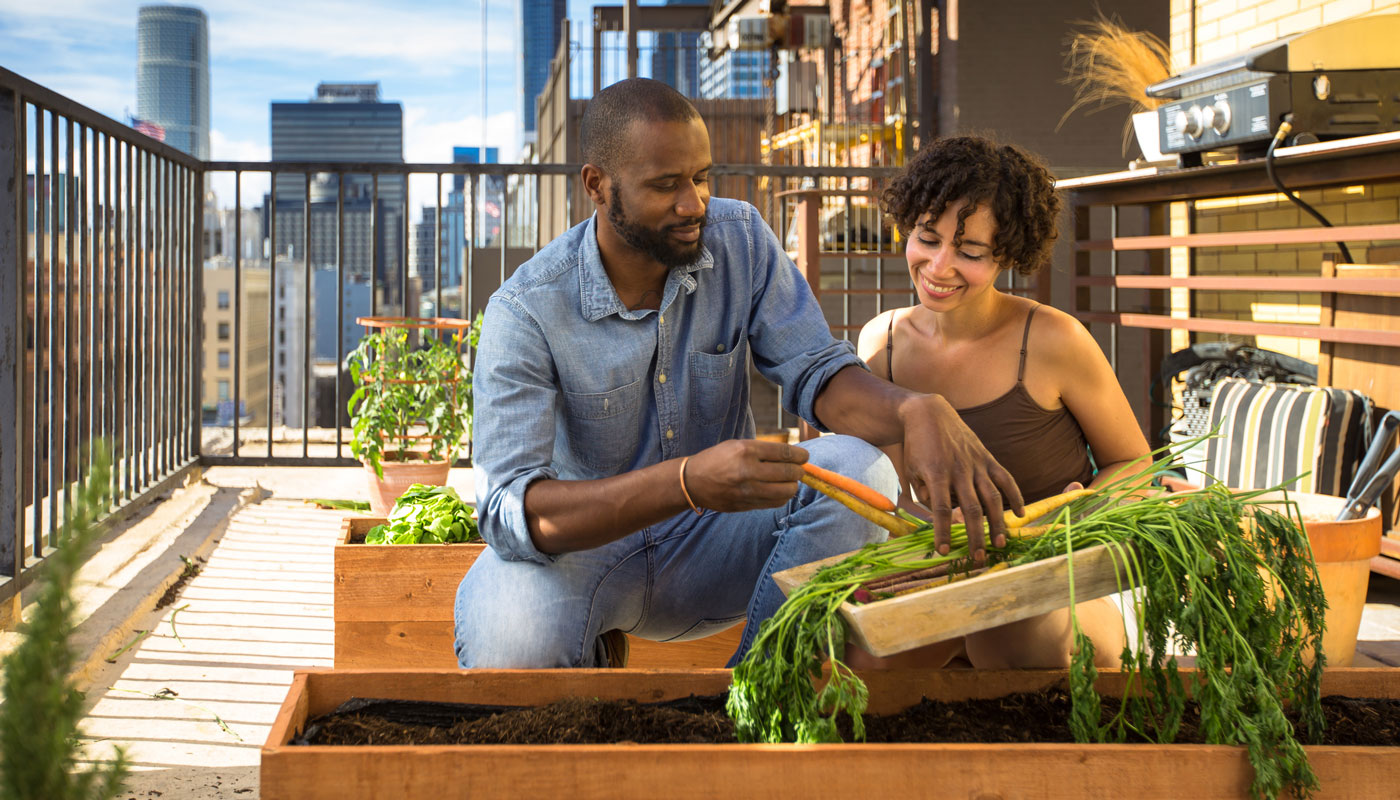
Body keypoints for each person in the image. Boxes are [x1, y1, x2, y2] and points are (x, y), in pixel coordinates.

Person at [453, 79, 1025, 669]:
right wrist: (685, 482)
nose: (694, 203)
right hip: (581, 556)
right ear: (597, 185)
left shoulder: (739, 238)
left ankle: (748, 702)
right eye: (665, 185)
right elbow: (509, 510)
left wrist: (914, 409)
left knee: (862, 472)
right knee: (507, 649)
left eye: (701, 177)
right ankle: (589, 656)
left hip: (716, 544)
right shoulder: (526, 310)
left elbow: (817, 370)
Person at [854, 135, 1151, 670]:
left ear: (1007, 255)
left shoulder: (1055, 340)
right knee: (864, 657)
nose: (940, 266)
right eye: (927, 238)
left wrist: (1068, 524)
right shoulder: (882, 344)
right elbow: (891, 493)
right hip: (937, 575)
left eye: (969, 253)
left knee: (1007, 630)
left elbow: (1133, 464)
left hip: (1055, 583)